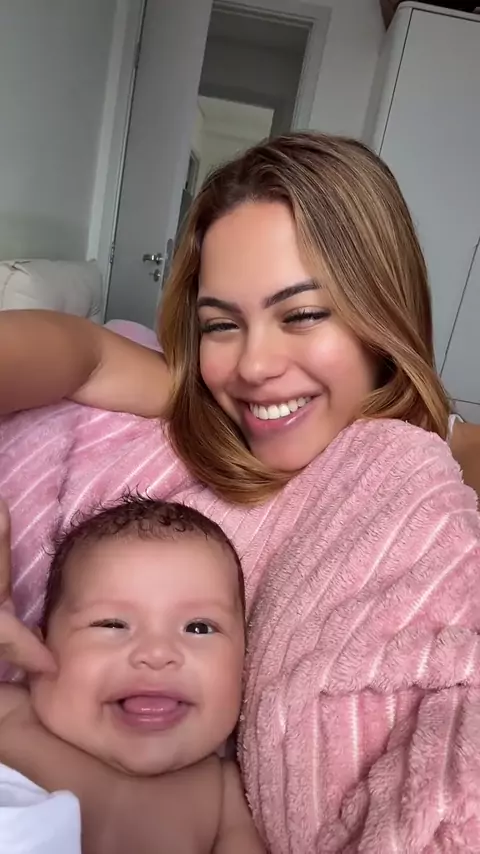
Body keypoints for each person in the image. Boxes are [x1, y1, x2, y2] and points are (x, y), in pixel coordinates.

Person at [1, 132, 480, 850]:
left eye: (302, 314)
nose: (253, 365)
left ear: (383, 313)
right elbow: (83, 352)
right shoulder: (198, 404)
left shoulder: (437, 467)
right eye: (222, 324)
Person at [0, 496, 264, 854]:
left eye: (199, 628)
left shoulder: (223, 793)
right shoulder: (10, 714)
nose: (156, 653)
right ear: (37, 646)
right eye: (112, 624)